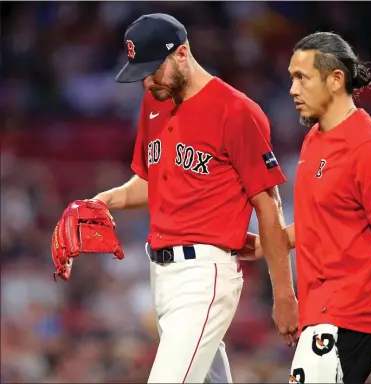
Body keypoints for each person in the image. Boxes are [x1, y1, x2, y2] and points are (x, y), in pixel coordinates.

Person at [91, 13, 298, 383]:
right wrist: (104, 201)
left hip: (205, 275)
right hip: (161, 275)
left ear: (182, 53)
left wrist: (284, 295)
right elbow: (151, 181)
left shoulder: (236, 111)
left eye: (154, 69)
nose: (147, 81)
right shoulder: (155, 102)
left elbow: (268, 204)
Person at [240, 32, 371, 383]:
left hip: (352, 318)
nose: (292, 89)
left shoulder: (369, 147)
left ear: (336, 80)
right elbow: (328, 222)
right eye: (291, 77)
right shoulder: (314, 139)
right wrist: (267, 244)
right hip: (325, 312)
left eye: (301, 77)